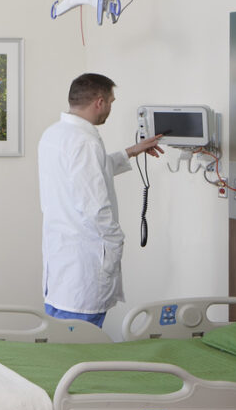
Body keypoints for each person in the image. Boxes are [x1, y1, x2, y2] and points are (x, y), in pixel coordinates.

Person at [38, 73, 164, 328]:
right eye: (111, 102)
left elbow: (90, 173)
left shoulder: (54, 134)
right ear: (99, 102)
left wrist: (131, 151)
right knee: (79, 342)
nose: (110, 108)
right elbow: (95, 206)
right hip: (84, 262)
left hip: (62, 260)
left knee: (57, 338)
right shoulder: (84, 142)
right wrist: (116, 240)